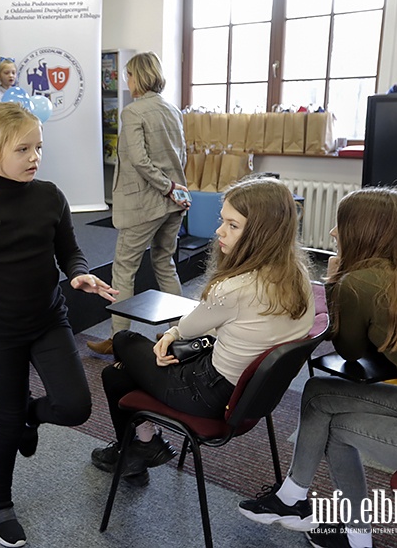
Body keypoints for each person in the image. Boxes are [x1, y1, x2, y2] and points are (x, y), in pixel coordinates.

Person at [239, 186, 397, 548]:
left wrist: (335, 284)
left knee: (336, 427)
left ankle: (355, 535)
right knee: (318, 394)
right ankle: (291, 498)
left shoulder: (359, 282)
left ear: (362, 231)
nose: (333, 233)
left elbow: (349, 350)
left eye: (339, 224)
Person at [0, 102, 118, 548]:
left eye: (38, 147)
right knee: (5, 424)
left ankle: (29, 416)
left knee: (76, 406)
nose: (34, 157)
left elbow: (69, 252)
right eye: (22, 149)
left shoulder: (50, 196)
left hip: (49, 320)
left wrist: (78, 272)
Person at [93, 177, 315, 485]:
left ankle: (141, 446)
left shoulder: (236, 287)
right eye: (222, 221)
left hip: (206, 394)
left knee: (124, 340)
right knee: (115, 375)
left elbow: (188, 327)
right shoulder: (300, 278)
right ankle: (138, 448)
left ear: (261, 233)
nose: (219, 232)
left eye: (232, 225)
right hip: (251, 398)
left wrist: (170, 335)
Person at [87, 51, 191, 355]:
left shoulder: (133, 112)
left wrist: (166, 186)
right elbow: (181, 155)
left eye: (129, 74)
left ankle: (118, 340)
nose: (126, 80)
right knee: (164, 262)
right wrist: (173, 189)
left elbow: (140, 161)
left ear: (139, 77)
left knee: (123, 269)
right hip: (174, 201)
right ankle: (178, 335)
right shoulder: (172, 109)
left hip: (148, 201)